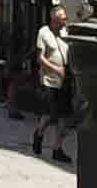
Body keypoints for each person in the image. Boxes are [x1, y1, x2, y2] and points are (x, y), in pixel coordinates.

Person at [28, 8, 71, 161]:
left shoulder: (65, 33)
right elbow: (40, 58)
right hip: (49, 80)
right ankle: (39, 133)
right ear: (54, 19)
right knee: (49, 114)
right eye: (63, 19)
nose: (65, 21)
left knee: (64, 117)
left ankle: (57, 148)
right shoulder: (44, 32)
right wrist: (56, 70)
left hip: (65, 80)